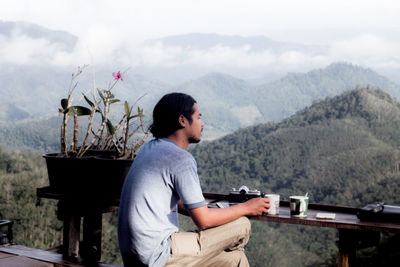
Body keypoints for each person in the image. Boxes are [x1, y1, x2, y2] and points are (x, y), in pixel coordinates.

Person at [118, 92, 270, 267]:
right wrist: (247, 207)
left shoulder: (148, 149)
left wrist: (201, 207)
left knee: (235, 260)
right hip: (158, 255)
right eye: (198, 117)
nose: (202, 123)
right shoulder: (180, 158)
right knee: (242, 225)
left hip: (134, 258)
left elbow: (165, 199)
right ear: (182, 120)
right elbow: (204, 221)